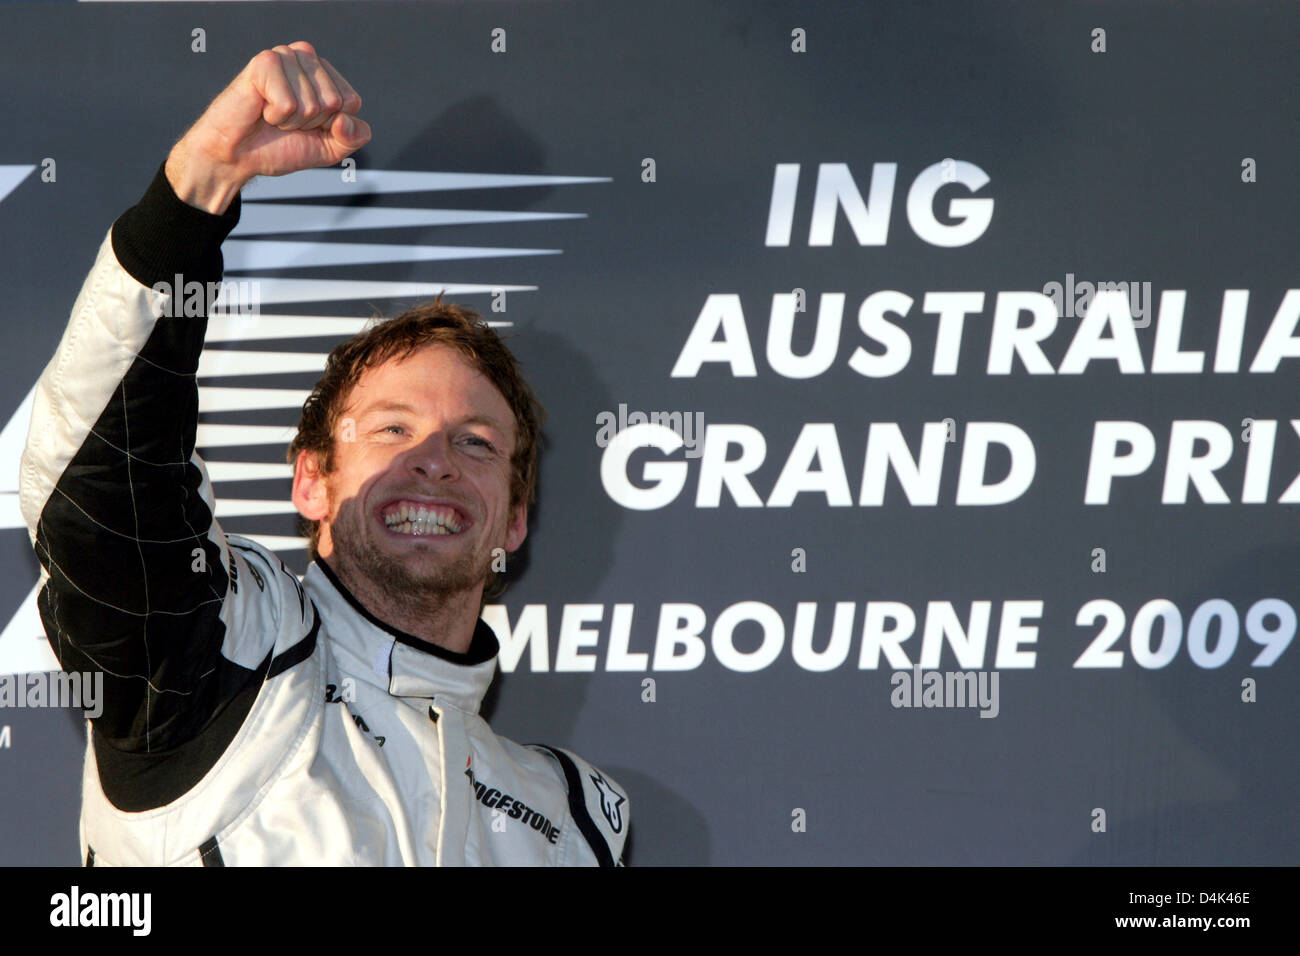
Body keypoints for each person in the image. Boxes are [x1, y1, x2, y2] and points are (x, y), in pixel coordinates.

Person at [18, 41, 628, 866]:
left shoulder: (575, 818)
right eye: (392, 428)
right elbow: (95, 488)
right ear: (311, 479)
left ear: (515, 521)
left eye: (475, 442)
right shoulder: (221, 655)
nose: (435, 460)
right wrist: (195, 191)